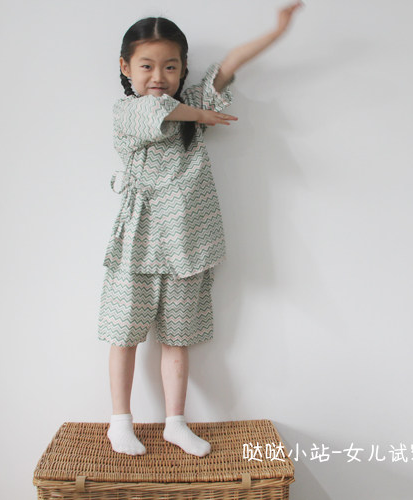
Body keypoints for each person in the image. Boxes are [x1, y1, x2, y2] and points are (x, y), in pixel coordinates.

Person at [99, 2, 303, 457]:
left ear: (183, 68)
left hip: (186, 245)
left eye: (170, 66)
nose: (159, 76)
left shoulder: (192, 102)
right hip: (137, 242)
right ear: (125, 67)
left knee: (179, 338)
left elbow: (227, 66)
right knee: (124, 335)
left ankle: (175, 422)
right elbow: (159, 111)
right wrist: (200, 116)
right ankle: (119, 422)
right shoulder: (126, 110)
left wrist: (276, 32)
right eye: (147, 65)